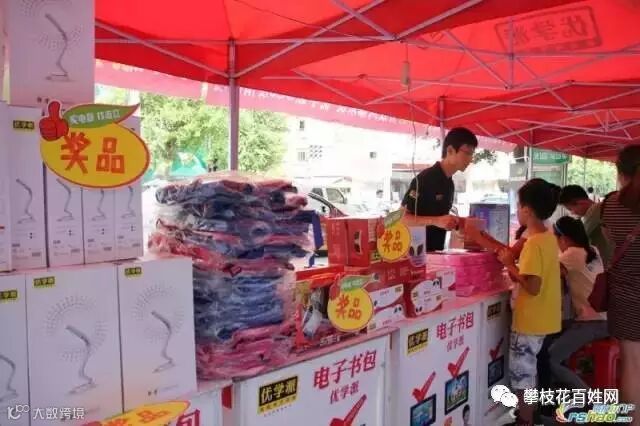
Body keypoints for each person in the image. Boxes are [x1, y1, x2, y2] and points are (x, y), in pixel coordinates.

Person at [497, 179, 561, 426]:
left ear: (527, 209)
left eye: (518, 205)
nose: (517, 210)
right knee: (529, 372)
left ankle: (525, 420)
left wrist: (509, 265)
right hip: (543, 317)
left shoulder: (534, 243)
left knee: (522, 376)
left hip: (529, 319)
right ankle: (529, 417)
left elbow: (533, 286)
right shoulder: (548, 237)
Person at [601, 145, 640, 421]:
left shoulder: (609, 205)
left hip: (625, 294)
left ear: (620, 172)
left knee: (631, 364)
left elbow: (607, 243)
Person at [547, 216, 608, 390]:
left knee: (550, 358)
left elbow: (545, 273)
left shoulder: (572, 254)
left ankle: (589, 398)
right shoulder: (593, 250)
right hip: (605, 318)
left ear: (564, 239)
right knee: (556, 336)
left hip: (592, 322)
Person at [401, 127, 478, 251]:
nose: (470, 159)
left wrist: (460, 222)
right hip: (416, 254)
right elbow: (402, 218)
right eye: (467, 153)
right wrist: (435, 221)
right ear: (450, 150)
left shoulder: (449, 183)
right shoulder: (425, 179)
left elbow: (442, 219)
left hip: (437, 253)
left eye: (472, 154)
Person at [558, 185, 613, 266]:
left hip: (605, 263)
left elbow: (579, 238)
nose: (572, 213)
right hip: (602, 262)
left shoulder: (595, 210)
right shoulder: (594, 211)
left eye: (570, 209)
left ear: (581, 202)